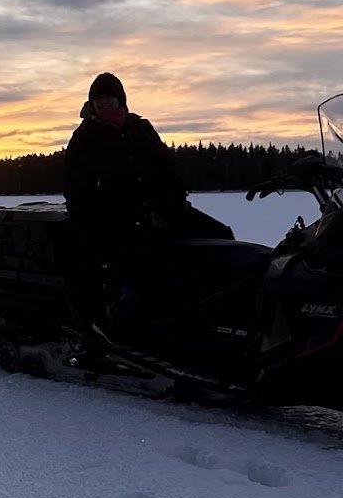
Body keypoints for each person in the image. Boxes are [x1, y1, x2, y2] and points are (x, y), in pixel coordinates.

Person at [61, 72, 225, 343]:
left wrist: (175, 204)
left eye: (110, 97)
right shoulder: (85, 137)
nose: (105, 102)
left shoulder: (140, 128)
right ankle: (121, 323)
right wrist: (91, 229)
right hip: (116, 218)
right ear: (92, 102)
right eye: (99, 98)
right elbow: (77, 190)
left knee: (219, 237)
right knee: (145, 261)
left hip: (161, 210)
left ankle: (216, 311)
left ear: (120, 99)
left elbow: (167, 168)